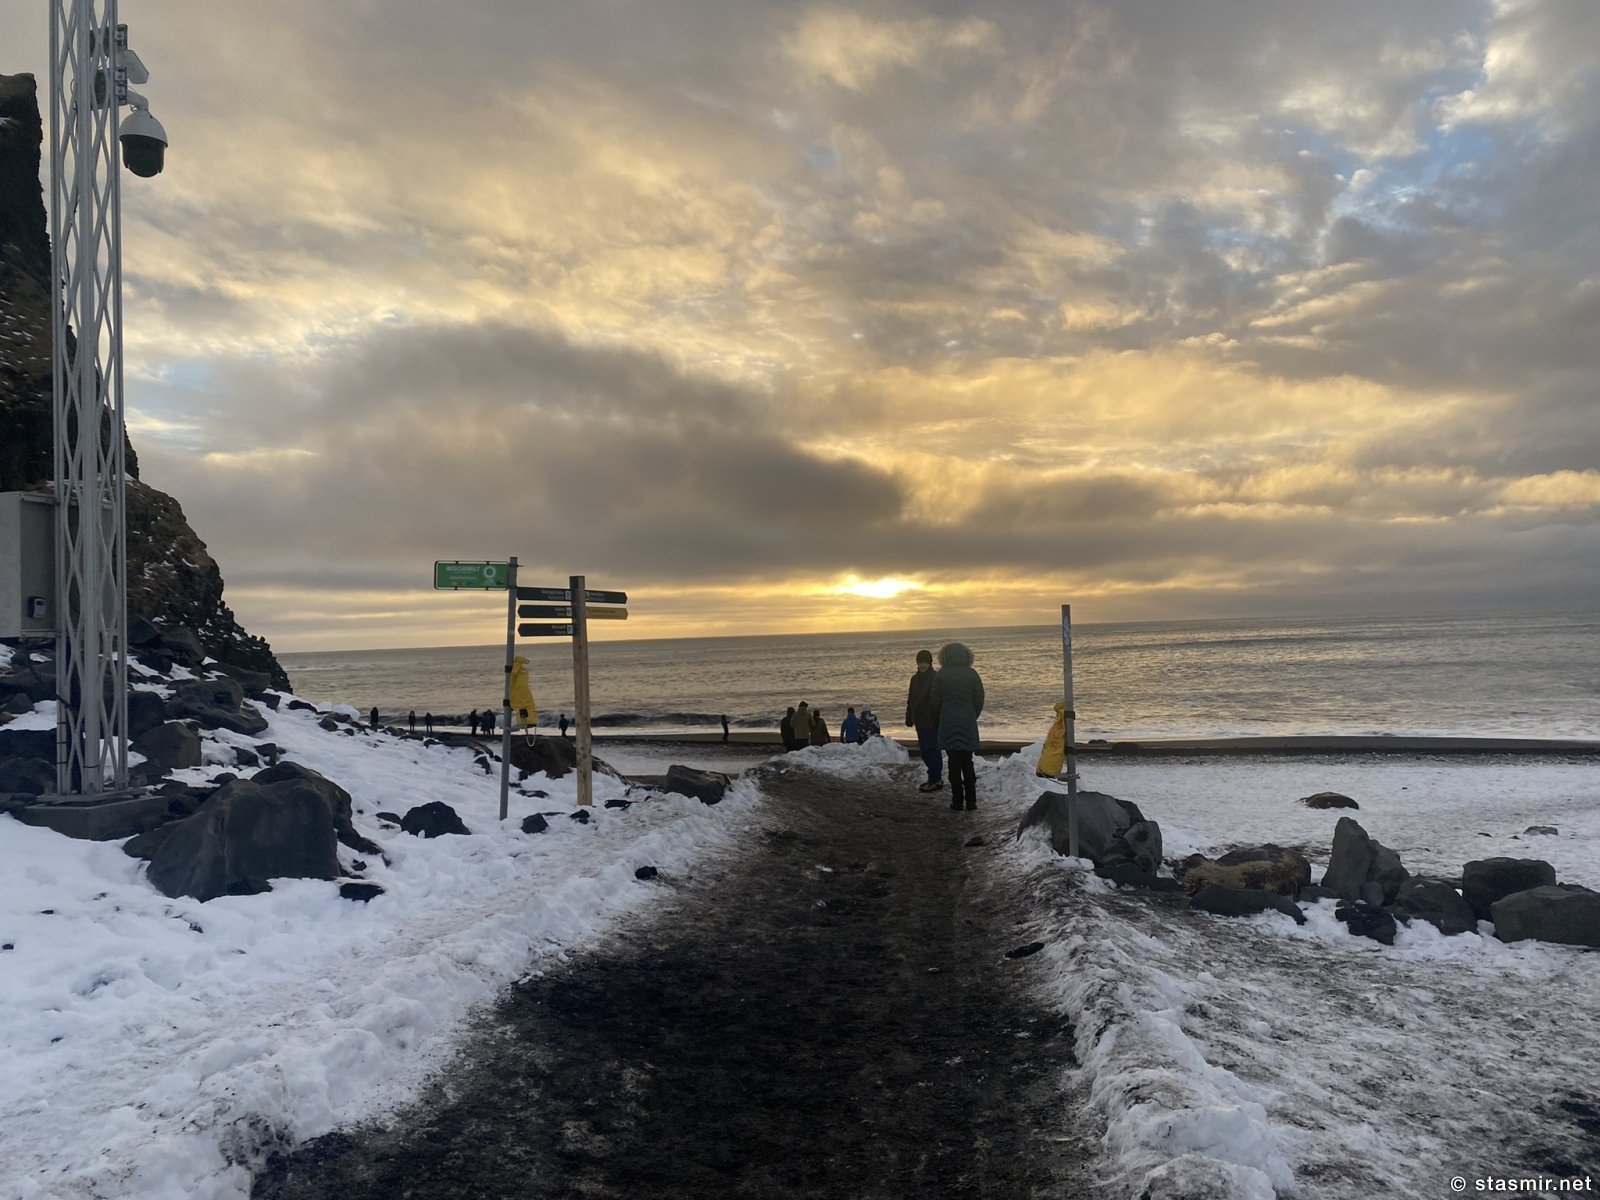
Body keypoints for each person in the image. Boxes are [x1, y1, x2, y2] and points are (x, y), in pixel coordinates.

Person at [933, 642, 984, 811]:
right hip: (967, 721)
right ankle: (971, 801)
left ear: (944, 656)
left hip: (948, 721)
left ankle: (957, 802)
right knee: (967, 762)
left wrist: (940, 718)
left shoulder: (941, 675)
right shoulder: (972, 674)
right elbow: (979, 699)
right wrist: (972, 715)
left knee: (953, 763)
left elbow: (935, 701)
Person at [905, 649, 943, 793]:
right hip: (919, 720)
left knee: (932, 749)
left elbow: (939, 700)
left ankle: (935, 779)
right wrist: (909, 715)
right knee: (924, 751)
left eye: (925, 662)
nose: (922, 665)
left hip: (931, 720)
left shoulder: (935, 677)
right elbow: (911, 699)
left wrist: (937, 717)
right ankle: (933, 777)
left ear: (930, 663)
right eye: (920, 662)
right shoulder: (914, 679)